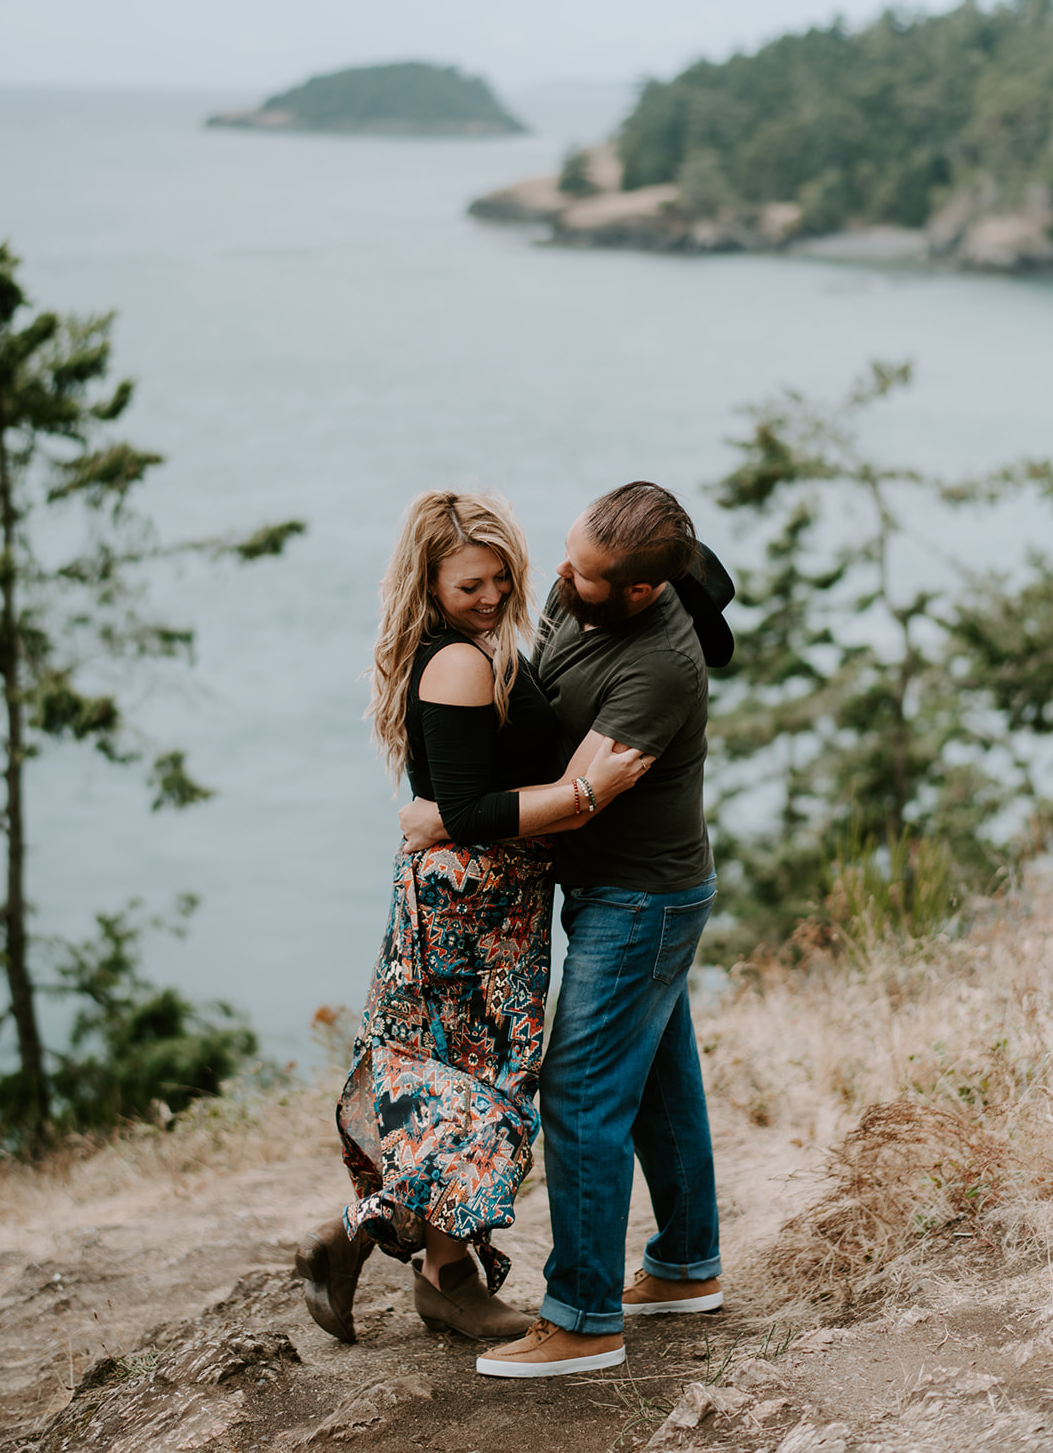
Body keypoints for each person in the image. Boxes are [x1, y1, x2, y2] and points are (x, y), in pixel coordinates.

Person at [295, 490, 648, 1348]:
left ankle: (415, 1266)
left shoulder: (484, 644)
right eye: (468, 586)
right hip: (468, 909)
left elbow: (450, 804)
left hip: (493, 902)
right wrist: (581, 796)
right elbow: (458, 806)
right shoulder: (456, 662)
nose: (490, 597)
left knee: (468, 1089)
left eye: (500, 579)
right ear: (429, 585)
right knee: (466, 1092)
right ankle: (424, 1272)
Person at [402, 480, 733, 1379]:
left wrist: (450, 816)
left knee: (583, 1091)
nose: (554, 576)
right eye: (567, 554)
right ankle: (684, 1266)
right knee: (660, 1081)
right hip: (614, 893)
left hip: (639, 899)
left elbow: (577, 807)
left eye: (583, 573)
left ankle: (583, 1319)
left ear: (636, 591)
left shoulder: (656, 669)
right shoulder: (579, 585)